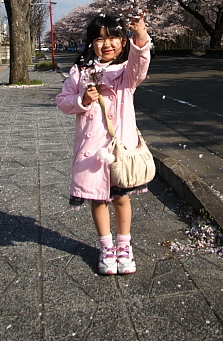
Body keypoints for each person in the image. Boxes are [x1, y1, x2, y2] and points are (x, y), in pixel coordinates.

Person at [56, 14, 151, 275]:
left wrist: (140, 35)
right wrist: (81, 98)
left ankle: (124, 246)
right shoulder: (80, 72)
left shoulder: (125, 74)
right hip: (91, 152)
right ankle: (106, 247)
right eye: (99, 38)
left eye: (112, 37)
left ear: (122, 41)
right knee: (97, 200)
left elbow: (140, 62)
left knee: (121, 198)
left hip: (120, 152)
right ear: (91, 43)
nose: (106, 44)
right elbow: (63, 102)